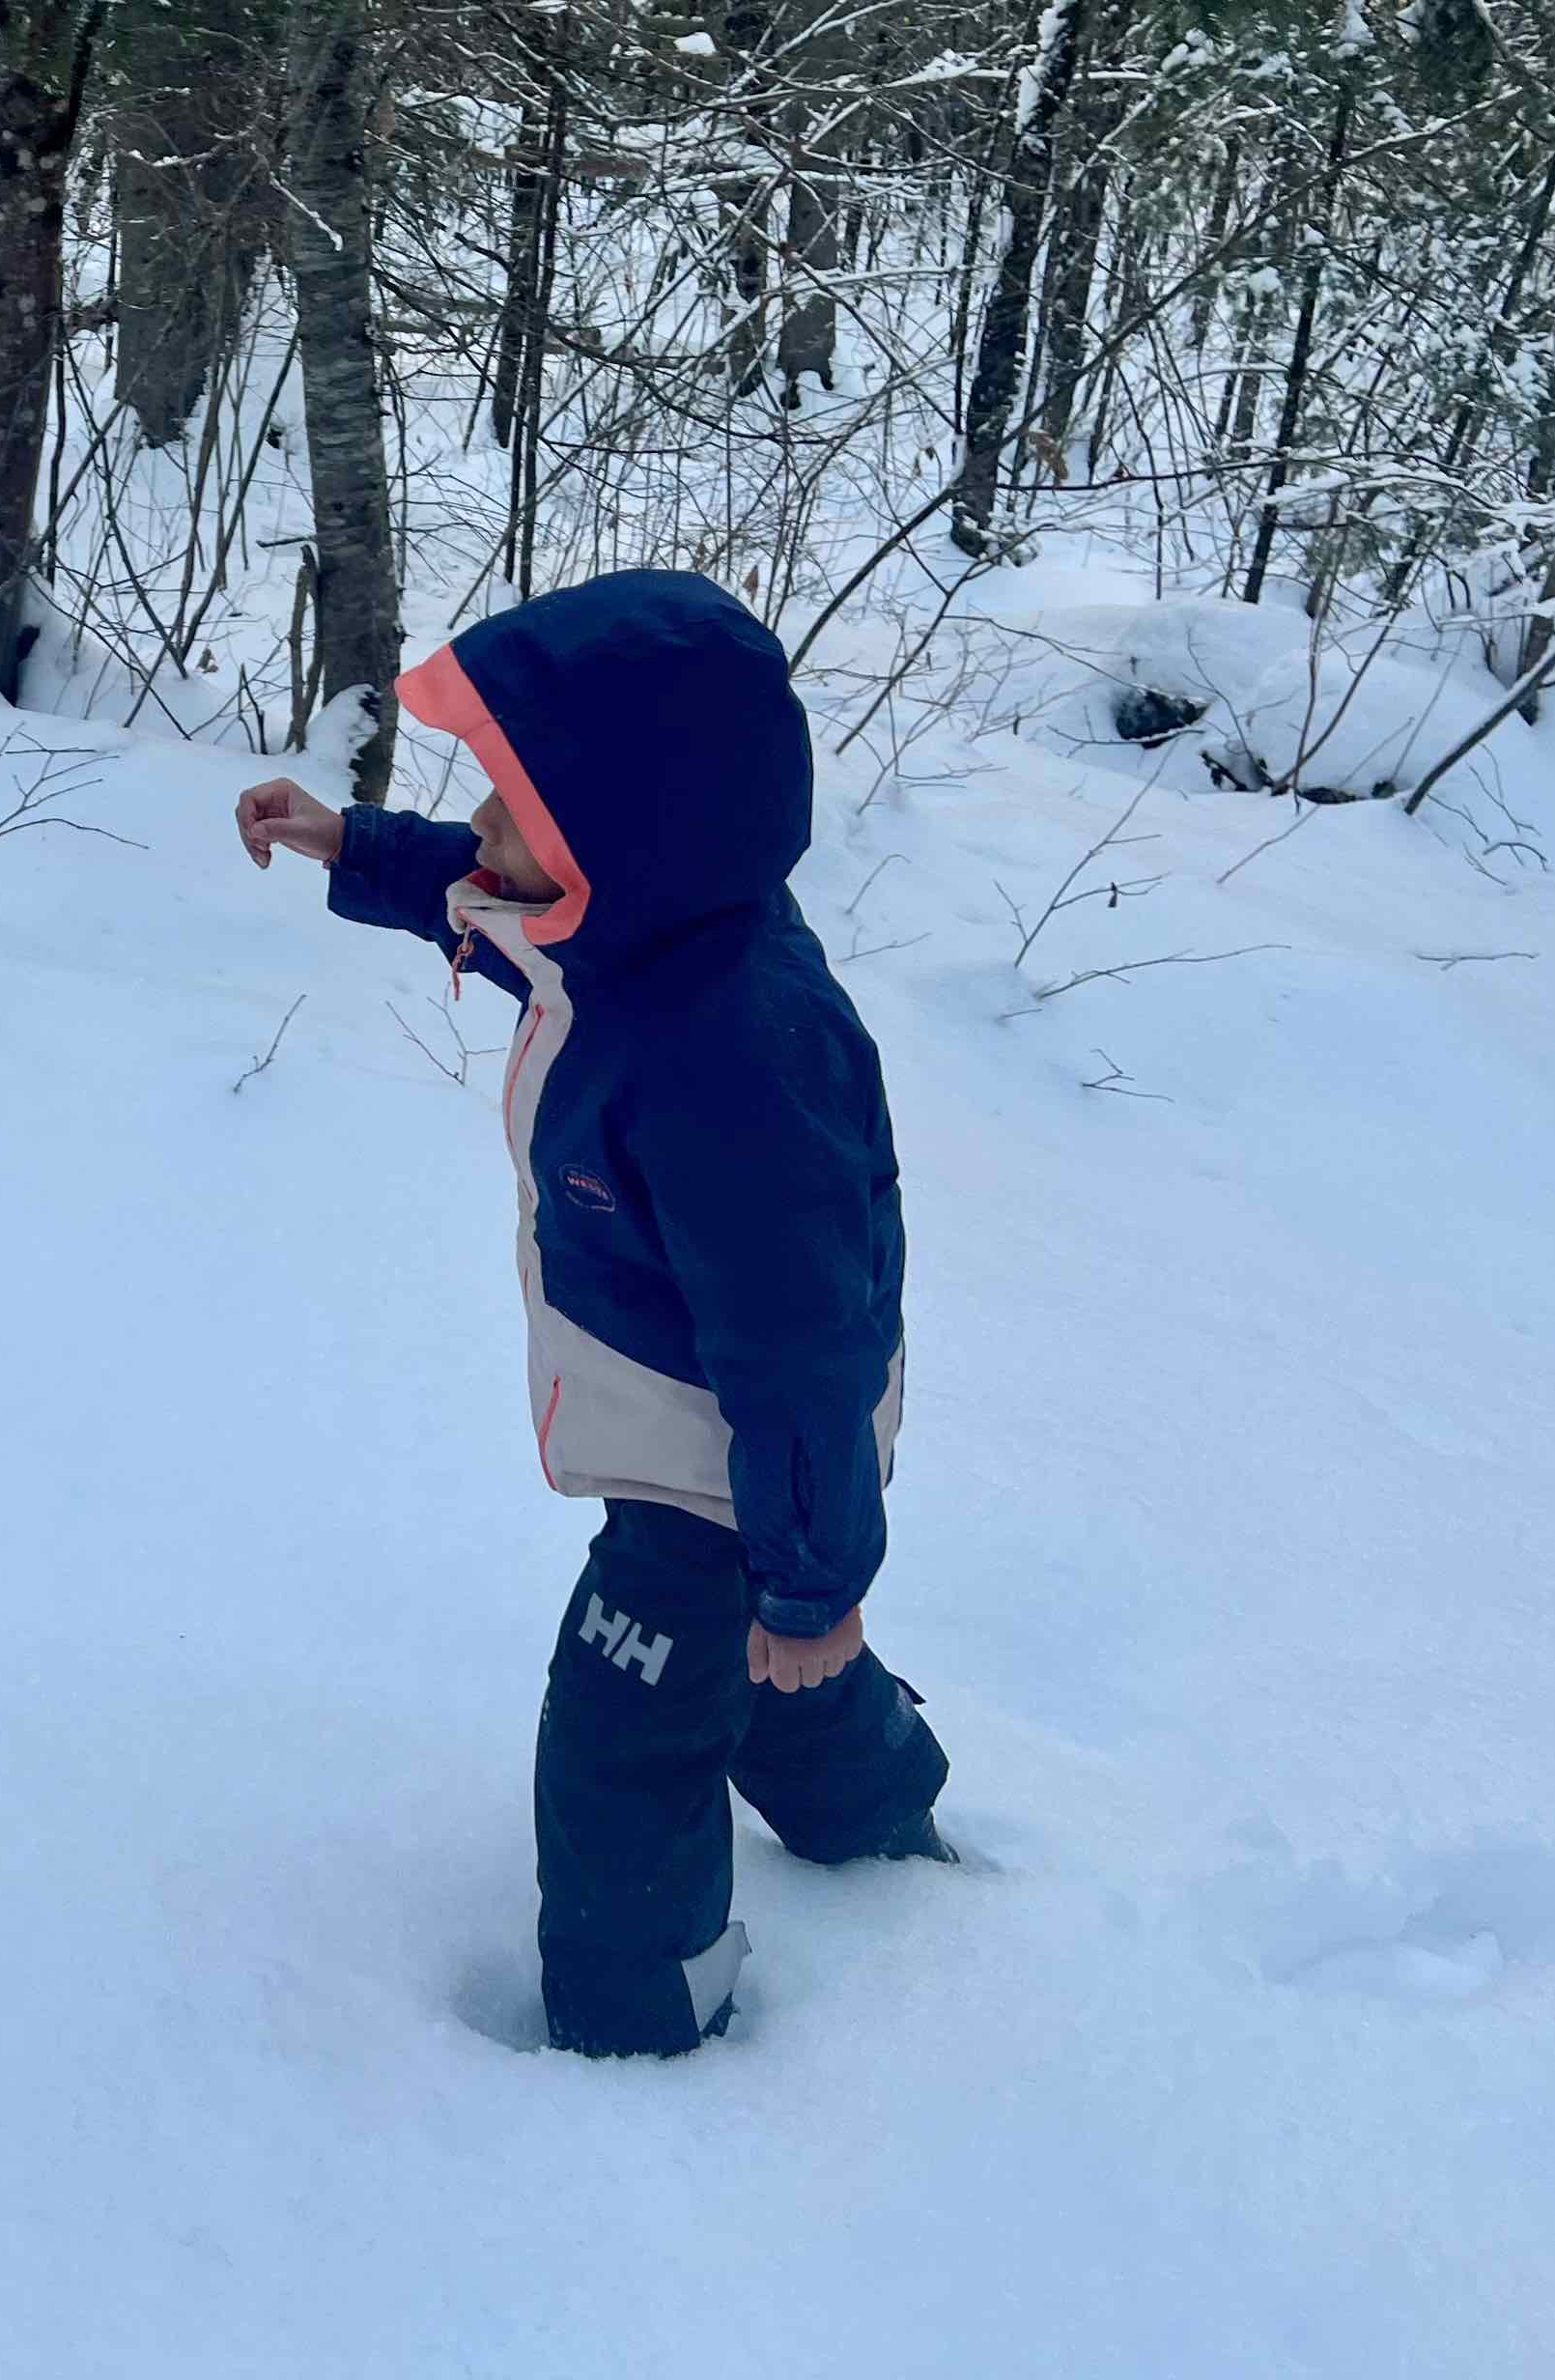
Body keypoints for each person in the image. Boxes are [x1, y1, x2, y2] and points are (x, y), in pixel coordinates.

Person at [236, 568, 950, 2058]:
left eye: (513, 806)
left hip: (734, 1451)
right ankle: (878, 1821)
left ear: (619, 837)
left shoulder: (733, 1054)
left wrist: (812, 1572)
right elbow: (490, 904)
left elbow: (802, 1346)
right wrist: (343, 841)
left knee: (627, 1731)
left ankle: (643, 2027)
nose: (483, 828)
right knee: (766, 1663)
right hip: (726, 1429)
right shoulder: (639, 930)